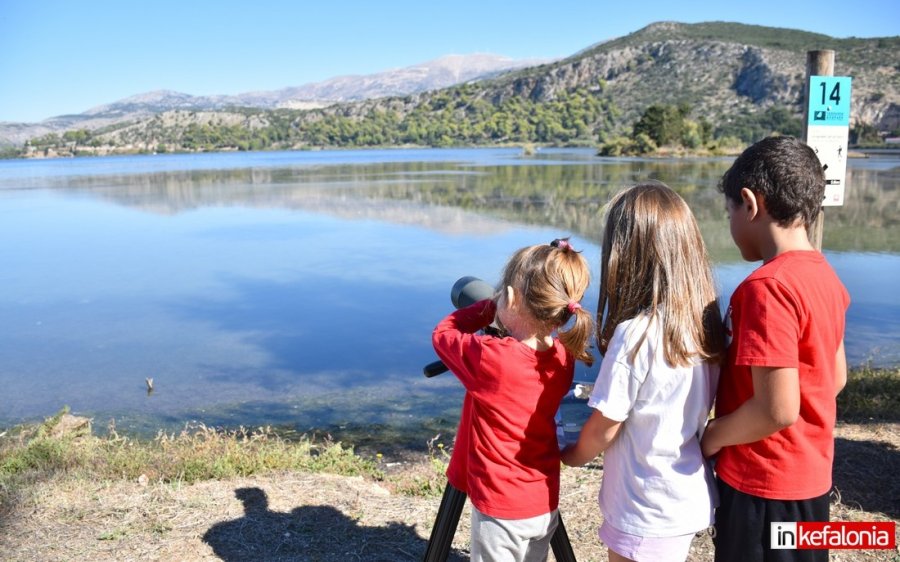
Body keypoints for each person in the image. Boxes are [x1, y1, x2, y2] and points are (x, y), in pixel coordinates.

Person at [700, 135, 850, 562]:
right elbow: (834, 376)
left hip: (761, 486)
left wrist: (711, 437)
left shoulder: (767, 289)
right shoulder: (824, 276)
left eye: (729, 212)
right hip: (810, 481)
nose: (730, 225)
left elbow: (776, 410)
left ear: (750, 203)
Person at [561, 181, 726, 562]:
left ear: (624, 256)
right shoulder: (703, 324)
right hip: (681, 493)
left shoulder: (634, 335)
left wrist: (569, 454)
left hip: (642, 504)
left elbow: (605, 426)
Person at [432, 238, 594, 562]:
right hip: (542, 502)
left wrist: (488, 308)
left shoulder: (492, 359)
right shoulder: (564, 356)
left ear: (510, 298)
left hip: (501, 511)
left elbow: (443, 335)